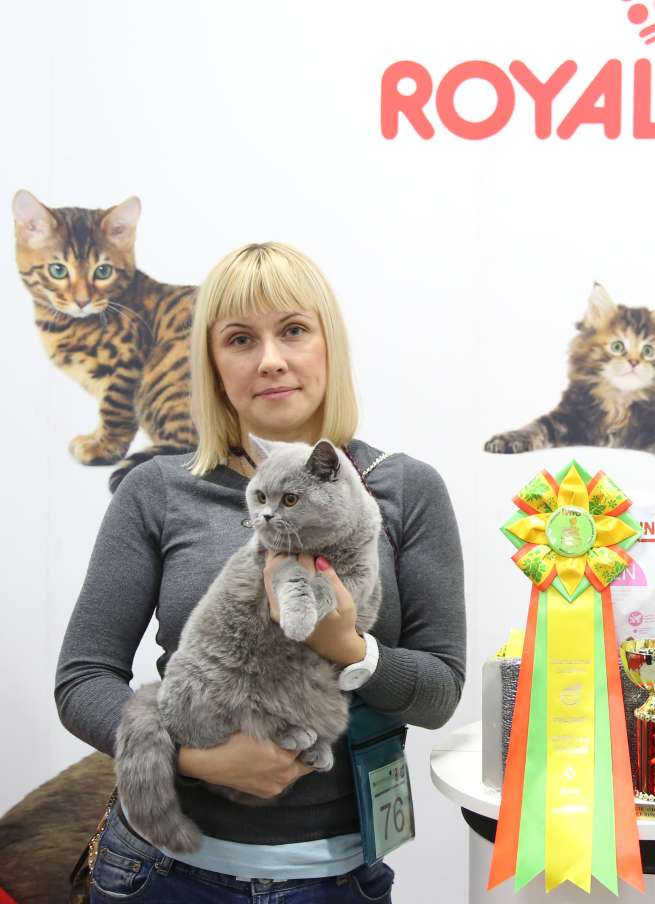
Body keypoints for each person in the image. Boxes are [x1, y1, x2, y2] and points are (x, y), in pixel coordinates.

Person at [54, 242, 466, 902]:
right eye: (240, 339)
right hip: (160, 874)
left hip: (338, 878)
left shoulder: (404, 489)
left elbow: (440, 692)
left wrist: (349, 647)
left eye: (294, 330)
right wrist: (195, 760)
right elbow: (82, 679)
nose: (270, 359)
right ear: (213, 364)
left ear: (329, 345)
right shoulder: (157, 490)